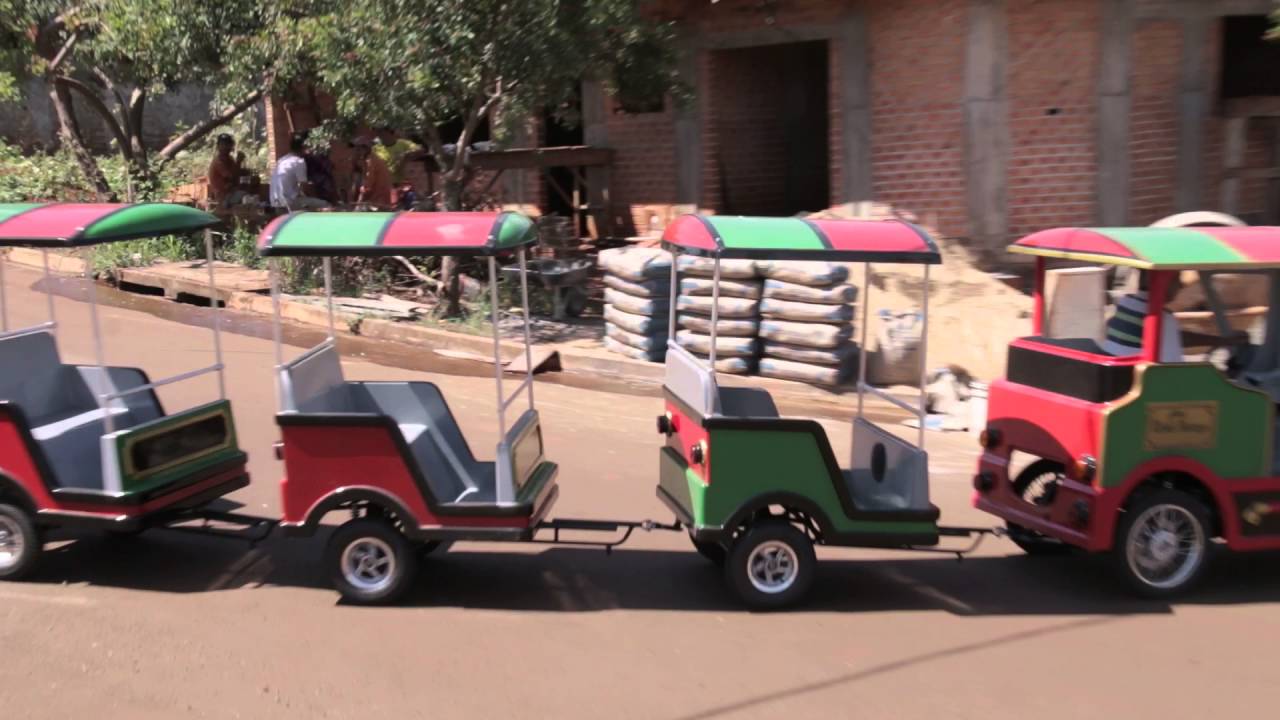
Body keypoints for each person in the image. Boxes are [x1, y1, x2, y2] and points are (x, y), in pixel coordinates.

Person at [1102, 272, 1246, 361]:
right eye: (1176, 279)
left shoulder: (1125, 304)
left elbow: (1177, 338)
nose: (1180, 286)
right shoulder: (1163, 319)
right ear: (1163, 283)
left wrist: (1222, 341)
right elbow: (1173, 364)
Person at [270, 134, 330, 212]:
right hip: (289, 202)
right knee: (325, 204)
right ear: (303, 148)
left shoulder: (281, 160)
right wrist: (315, 195)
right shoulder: (299, 161)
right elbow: (304, 187)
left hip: (275, 202)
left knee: (308, 203)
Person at [374, 128, 423, 210]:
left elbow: (420, 150)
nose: (380, 135)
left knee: (410, 206)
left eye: (382, 132)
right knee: (387, 209)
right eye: (378, 132)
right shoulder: (376, 148)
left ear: (390, 133)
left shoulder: (402, 143)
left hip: (403, 183)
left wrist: (406, 155)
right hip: (385, 185)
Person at [349, 136, 392, 209]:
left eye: (358, 149)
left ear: (365, 149)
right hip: (375, 200)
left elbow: (367, 186)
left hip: (378, 202)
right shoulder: (368, 160)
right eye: (355, 149)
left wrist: (358, 206)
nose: (355, 151)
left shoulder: (371, 162)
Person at [207, 134, 247, 208]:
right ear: (218, 146)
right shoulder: (218, 161)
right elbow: (231, 177)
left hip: (231, 193)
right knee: (246, 197)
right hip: (223, 197)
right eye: (223, 144)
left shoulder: (230, 159)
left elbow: (237, 174)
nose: (226, 147)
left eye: (228, 144)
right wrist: (238, 162)